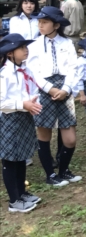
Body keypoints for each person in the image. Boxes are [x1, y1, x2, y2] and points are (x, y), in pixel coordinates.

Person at [27, 6, 82, 186]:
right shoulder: (34, 46)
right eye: (39, 22)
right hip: (44, 91)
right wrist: (49, 88)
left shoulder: (66, 44)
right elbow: (33, 71)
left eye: (45, 22)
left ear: (56, 25)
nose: (40, 25)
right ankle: (50, 174)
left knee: (70, 138)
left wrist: (66, 88)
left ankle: (64, 170)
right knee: (44, 133)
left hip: (64, 89)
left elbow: (74, 68)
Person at [0, 34, 42, 212]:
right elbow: (1, 102)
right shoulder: (4, 74)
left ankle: (22, 192)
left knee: (22, 156)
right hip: (10, 119)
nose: (26, 50)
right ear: (10, 53)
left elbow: (33, 89)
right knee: (10, 158)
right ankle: (14, 200)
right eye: (21, 47)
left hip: (25, 116)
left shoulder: (27, 70)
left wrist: (32, 103)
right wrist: (21, 104)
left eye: (26, 46)